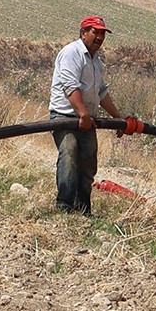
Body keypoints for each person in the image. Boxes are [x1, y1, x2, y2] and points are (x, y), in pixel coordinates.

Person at [50, 15, 131, 215]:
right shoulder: (71, 53)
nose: (100, 37)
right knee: (69, 152)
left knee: (88, 162)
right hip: (65, 116)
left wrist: (117, 118)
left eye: (102, 33)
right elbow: (70, 86)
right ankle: (64, 206)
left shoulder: (97, 61)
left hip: (87, 118)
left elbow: (100, 92)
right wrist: (83, 114)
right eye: (95, 32)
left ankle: (83, 208)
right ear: (83, 32)